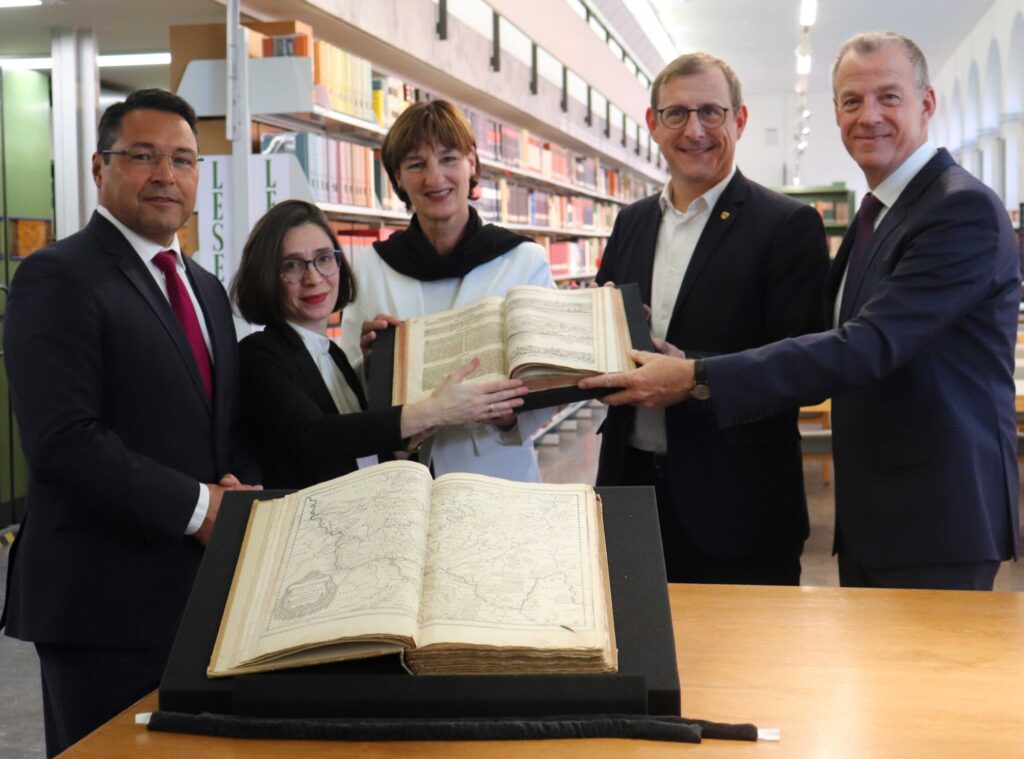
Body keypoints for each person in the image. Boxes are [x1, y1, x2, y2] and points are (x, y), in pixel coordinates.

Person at [581, 32, 1020, 591]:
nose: (869, 117)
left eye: (889, 97)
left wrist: (694, 375)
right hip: (879, 508)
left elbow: (862, 345)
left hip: (932, 509)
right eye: (852, 101)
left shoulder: (960, 210)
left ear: (926, 104)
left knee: (922, 674)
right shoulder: (879, 215)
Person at [1, 89, 262, 756]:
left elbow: (222, 421)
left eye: (182, 159)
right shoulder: (55, 276)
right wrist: (203, 507)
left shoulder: (204, 286)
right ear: (99, 167)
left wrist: (238, 487)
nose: (165, 175)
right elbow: (63, 441)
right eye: (142, 156)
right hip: (101, 602)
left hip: (198, 594)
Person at [594, 52, 829, 585]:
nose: (694, 130)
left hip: (739, 507)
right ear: (653, 124)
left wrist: (693, 377)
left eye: (711, 112)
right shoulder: (630, 223)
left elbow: (804, 371)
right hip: (631, 492)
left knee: (743, 666)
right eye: (676, 114)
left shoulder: (787, 226)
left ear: (739, 120)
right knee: (640, 663)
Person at [232, 199, 529, 488]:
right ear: (267, 275)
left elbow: (359, 451)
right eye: (293, 265)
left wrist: (415, 433)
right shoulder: (258, 354)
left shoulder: (332, 353)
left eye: (324, 258)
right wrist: (434, 410)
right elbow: (314, 437)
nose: (313, 277)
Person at [341, 99, 555, 480]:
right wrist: (370, 364)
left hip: (497, 474)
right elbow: (347, 387)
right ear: (397, 179)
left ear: (472, 163)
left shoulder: (524, 261)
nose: (434, 178)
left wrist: (510, 418)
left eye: (449, 158)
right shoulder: (371, 266)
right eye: (416, 164)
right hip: (401, 476)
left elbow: (549, 378)